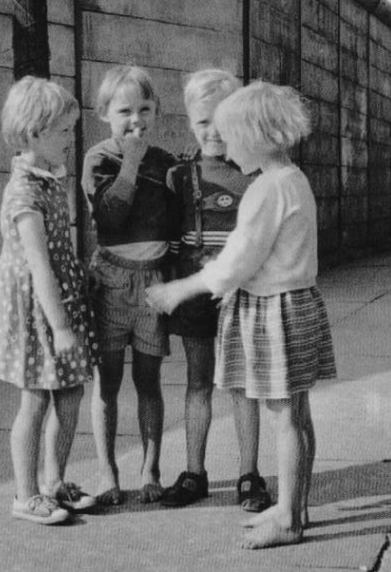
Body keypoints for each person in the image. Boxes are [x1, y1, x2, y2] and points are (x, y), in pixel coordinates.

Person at [146, 81, 337, 549]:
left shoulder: (265, 189)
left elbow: (237, 263)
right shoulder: (292, 179)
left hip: (273, 310)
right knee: (297, 415)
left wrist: (180, 289)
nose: (225, 145)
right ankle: (296, 505)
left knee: (285, 418)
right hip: (296, 303)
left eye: (231, 135)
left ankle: (288, 520)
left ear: (256, 137)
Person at [0, 76, 98, 525]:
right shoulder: (24, 192)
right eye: (64, 132)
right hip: (35, 309)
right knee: (35, 400)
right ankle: (25, 493)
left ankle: (54, 483)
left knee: (69, 395)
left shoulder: (50, 179)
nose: (71, 139)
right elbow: (39, 266)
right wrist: (63, 326)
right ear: (35, 133)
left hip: (60, 300)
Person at [157, 70, 271, 513]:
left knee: (242, 385)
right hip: (197, 295)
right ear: (189, 122)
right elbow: (167, 238)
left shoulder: (255, 173)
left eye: (222, 120)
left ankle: (249, 474)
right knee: (198, 382)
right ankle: (193, 472)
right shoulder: (180, 176)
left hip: (241, 294)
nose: (214, 131)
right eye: (203, 122)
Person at [81, 64, 178, 505]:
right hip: (113, 280)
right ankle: (107, 469)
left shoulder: (166, 163)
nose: (135, 119)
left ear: (157, 111)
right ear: (104, 113)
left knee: (149, 379)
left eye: (145, 108)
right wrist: (132, 164)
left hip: (153, 281)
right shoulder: (99, 158)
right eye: (124, 110)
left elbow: (176, 222)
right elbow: (109, 216)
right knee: (107, 381)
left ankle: (151, 466)